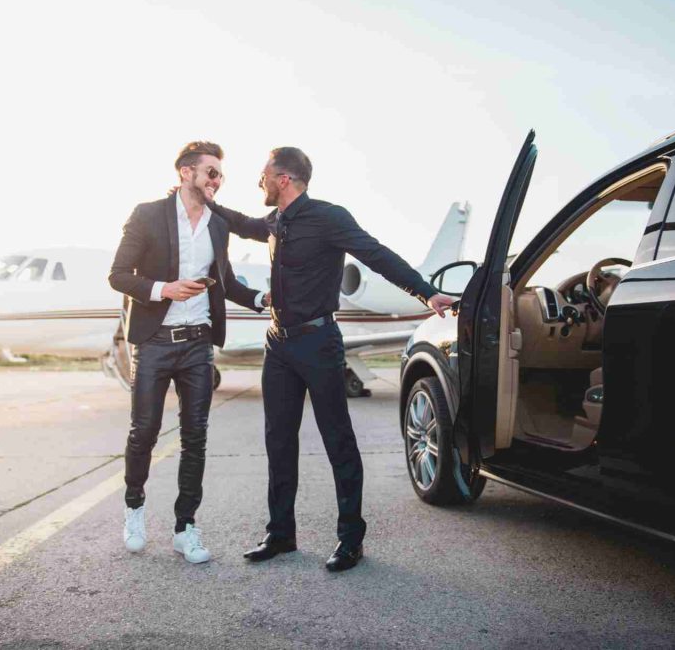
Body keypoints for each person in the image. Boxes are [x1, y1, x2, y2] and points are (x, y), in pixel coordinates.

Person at [204, 146, 452, 572]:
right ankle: (280, 534)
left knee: (338, 440)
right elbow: (242, 224)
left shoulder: (330, 217)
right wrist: (203, 199)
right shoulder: (275, 222)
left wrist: (425, 290)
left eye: (264, 175)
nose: (259, 181)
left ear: (284, 179)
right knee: (278, 441)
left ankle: (350, 538)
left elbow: (376, 254)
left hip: (319, 343)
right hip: (278, 345)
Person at [108, 141, 267, 564]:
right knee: (144, 432)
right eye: (211, 172)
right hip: (155, 342)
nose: (217, 180)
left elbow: (227, 281)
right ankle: (135, 511)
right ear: (186, 172)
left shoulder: (217, 224)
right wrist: (165, 290)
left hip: (198, 344)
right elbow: (119, 275)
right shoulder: (147, 215)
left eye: (221, 175)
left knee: (195, 439)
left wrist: (262, 300)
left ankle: (185, 527)